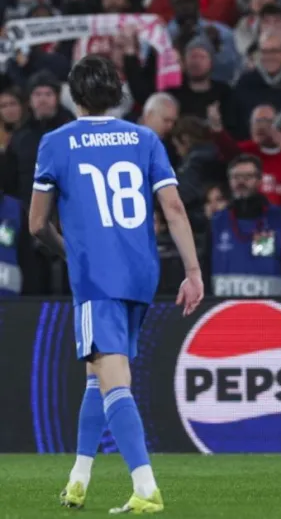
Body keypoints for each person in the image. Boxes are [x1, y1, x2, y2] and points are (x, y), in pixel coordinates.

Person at [27, 55, 203, 513]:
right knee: (97, 376)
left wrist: (70, 251)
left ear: (74, 94)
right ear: (118, 94)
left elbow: (35, 224)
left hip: (96, 274)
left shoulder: (55, 142)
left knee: (114, 379)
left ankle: (146, 488)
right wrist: (192, 271)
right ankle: (78, 480)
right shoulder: (145, 138)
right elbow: (175, 208)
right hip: (141, 271)